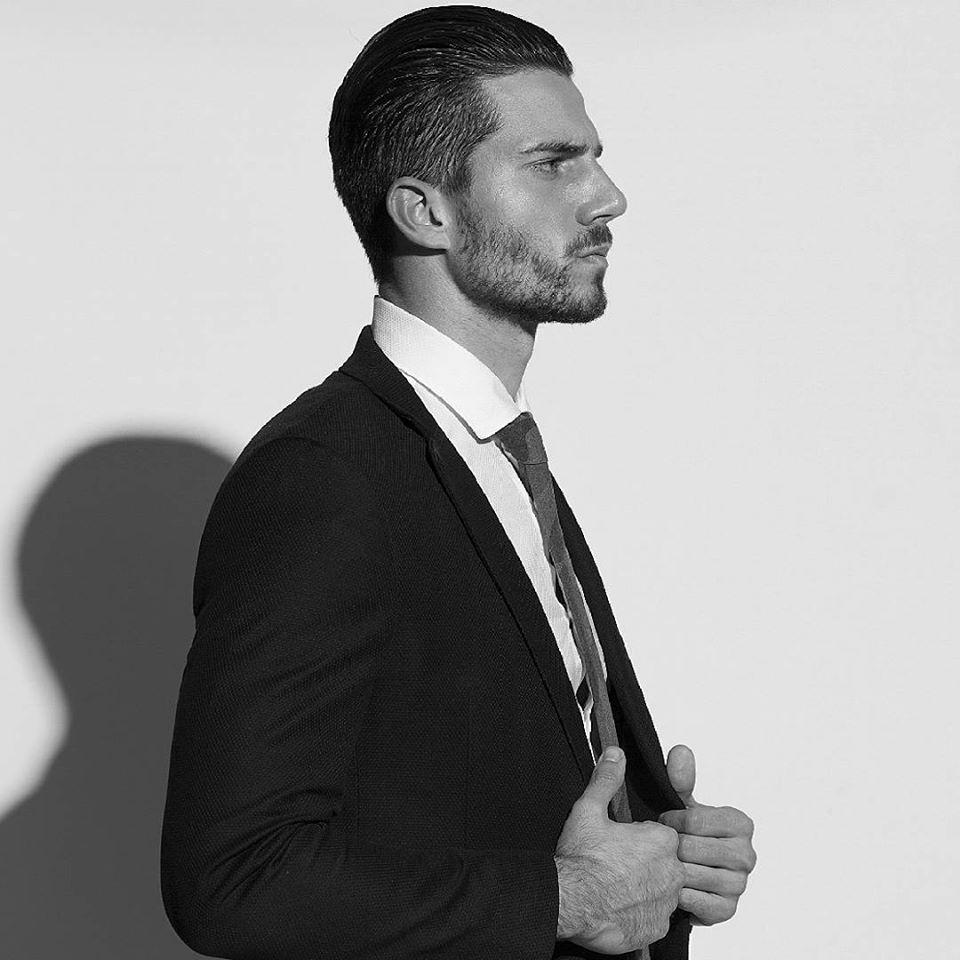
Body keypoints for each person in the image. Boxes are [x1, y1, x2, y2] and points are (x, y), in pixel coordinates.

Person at [160, 6, 757, 959]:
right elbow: (234, 880)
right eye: (553, 163)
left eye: (595, 159)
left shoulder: (498, 456)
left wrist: (660, 853)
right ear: (424, 210)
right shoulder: (326, 477)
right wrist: (568, 898)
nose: (607, 197)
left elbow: (478, 795)